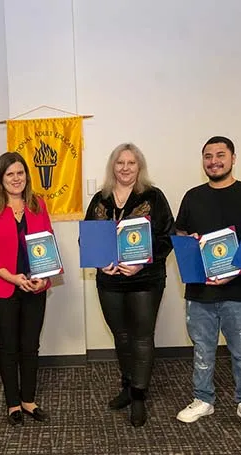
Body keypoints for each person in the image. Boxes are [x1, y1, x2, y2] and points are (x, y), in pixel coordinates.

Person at [174, 136, 241, 429]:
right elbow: (181, 234)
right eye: (208, 156)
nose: (214, 161)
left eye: (220, 155)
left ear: (233, 158)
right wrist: (186, 240)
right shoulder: (192, 196)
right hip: (200, 291)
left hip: (239, 292)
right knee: (202, 350)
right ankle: (203, 400)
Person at [83, 143, 174, 427]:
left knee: (142, 337)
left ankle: (138, 397)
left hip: (145, 280)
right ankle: (126, 385)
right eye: (120, 162)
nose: (125, 167)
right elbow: (88, 239)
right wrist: (99, 262)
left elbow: (167, 237)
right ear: (113, 166)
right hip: (109, 280)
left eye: (131, 163)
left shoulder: (153, 197)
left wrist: (140, 264)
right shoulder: (101, 198)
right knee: (121, 336)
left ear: (139, 166)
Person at [0, 152, 53, 426]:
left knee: (31, 346)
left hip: (35, 286)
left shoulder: (37, 204)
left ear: (26, 176)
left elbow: (48, 244)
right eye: (10, 174)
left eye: (20, 173)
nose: (16, 179)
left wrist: (44, 277)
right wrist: (12, 278)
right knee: (8, 347)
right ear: (0, 178)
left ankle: (29, 401)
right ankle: (12, 404)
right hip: (1, 287)